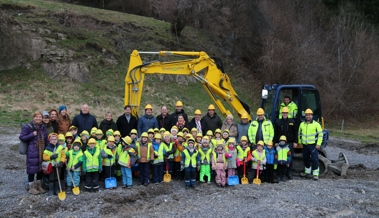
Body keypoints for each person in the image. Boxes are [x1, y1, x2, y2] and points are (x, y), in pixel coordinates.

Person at [19, 111, 48, 195]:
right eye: (36, 117)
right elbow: (22, 137)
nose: (38, 118)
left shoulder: (43, 127)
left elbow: (45, 139)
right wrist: (32, 135)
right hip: (32, 151)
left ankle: (39, 186)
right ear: (33, 117)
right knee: (31, 169)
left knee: (40, 169)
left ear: (42, 118)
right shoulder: (29, 127)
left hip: (42, 151)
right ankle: (31, 188)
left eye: (40, 117)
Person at [298, 108, 323, 180]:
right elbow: (299, 134)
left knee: (314, 159)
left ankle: (315, 174)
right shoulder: (302, 124)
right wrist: (300, 142)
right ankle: (307, 172)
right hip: (305, 145)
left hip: (313, 145)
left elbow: (320, 135)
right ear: (305, 116)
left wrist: (318, 144)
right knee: (306, 159)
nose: (308, 116)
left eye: (309, 115)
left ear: (312, 116)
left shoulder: (316, 124)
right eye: (307, 115)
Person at [274, 107, 297, 179]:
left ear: (288, 113)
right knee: (280, 159)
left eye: (286, 113)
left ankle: (289, 173)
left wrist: (295, 142)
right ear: (281, 113)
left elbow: (295, 132)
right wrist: (275, 142)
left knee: (289, 159)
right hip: (280, 143)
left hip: (289, 143)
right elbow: (275, 133)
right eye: (283, 113)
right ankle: (279, 174)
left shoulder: (292, 122)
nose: (285, 114)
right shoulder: (278, 122)